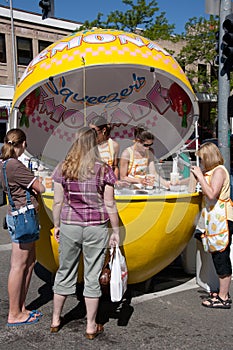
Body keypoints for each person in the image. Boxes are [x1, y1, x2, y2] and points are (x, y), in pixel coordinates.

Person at [50, 126, 120, 338]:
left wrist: (56, 225)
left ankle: (55, 320)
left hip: (70, 225)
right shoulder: (104, 169)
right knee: (92, 277)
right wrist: (116, 230)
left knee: (64, 272)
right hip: (95, 227)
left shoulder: (63, 167)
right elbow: (110, 204)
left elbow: (58, 201)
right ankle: (90, 326)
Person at [0, 128, 45, 326]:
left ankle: (21, 308)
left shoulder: (3, 164)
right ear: (23, 144)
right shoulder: (15, 166)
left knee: (28, 263)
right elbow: (40, 187)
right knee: (19, 266)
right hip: (23, 217)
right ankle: (14, 313)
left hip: (16, 215)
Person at [191, 142, 233, 309]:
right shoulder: (210, 172)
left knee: (221, 256)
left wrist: (200, 177)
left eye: (201, 159)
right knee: (217, 255)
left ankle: (223, 297)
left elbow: (212, 194)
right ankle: (221, 292)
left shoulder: (219, 171)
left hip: (223, 219)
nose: (200, 162)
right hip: (214, 220)